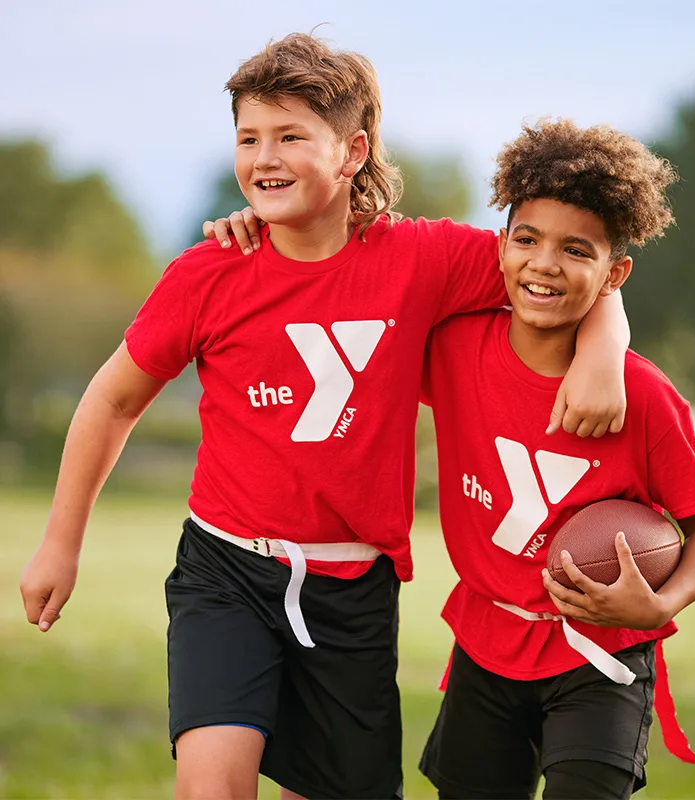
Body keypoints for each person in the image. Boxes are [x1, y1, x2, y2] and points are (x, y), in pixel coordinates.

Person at [19, 36, 629, 800]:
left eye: (290, 137)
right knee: (212, 787)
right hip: (226, 569)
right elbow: (112, 398)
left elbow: (564, 267)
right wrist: (59, 544)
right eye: (249, 138)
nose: (263, 157)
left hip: (354, 589)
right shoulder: (209, 273)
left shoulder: (423, 258)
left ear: (352, 152)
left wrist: (605, 351)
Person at [417, 119, 695, 800]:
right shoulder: (451, 349)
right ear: (500, 245)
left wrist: (661, 604)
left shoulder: (644, 396)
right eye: (526, 240)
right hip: (486, 643)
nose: (544, 264)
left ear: (613, 273)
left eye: (576, 250)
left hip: (602, 657)